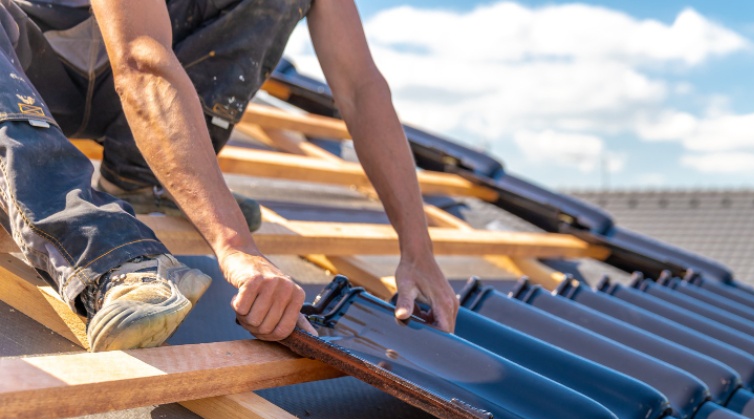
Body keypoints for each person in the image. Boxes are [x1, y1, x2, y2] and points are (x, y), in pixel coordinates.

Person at [0, 0, 458, 351]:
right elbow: (140, 60)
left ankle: (146, 178)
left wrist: (418, 249)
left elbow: (362, 89)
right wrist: (236, 246)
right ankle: (108, 258)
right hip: (27, 68)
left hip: (125, 90)